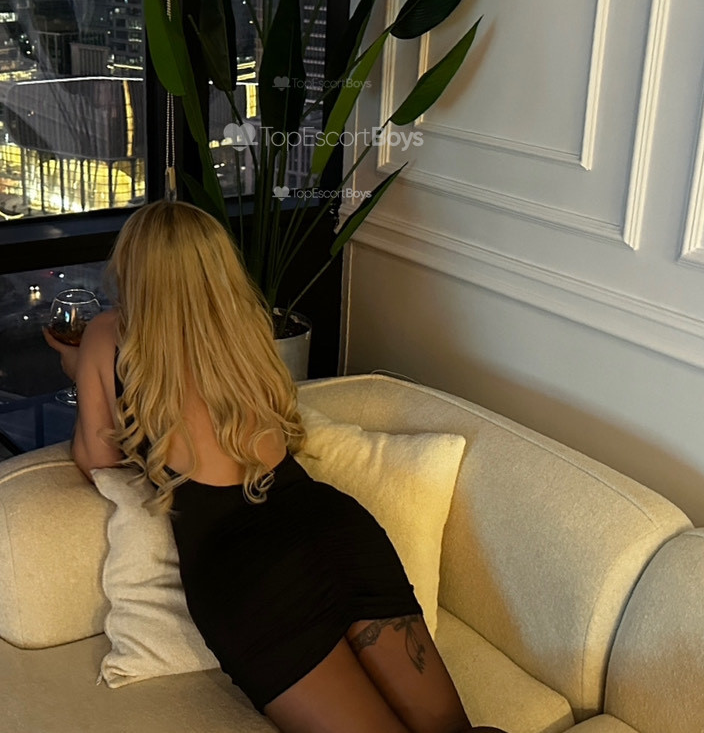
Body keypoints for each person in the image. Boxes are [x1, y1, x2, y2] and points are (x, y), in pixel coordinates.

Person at [46, 200, 506, 733]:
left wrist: (77, 365)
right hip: (332, 529)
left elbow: (97, 461)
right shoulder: (245, 325)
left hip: (247, 576)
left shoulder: (108, 335)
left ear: (131, 270)